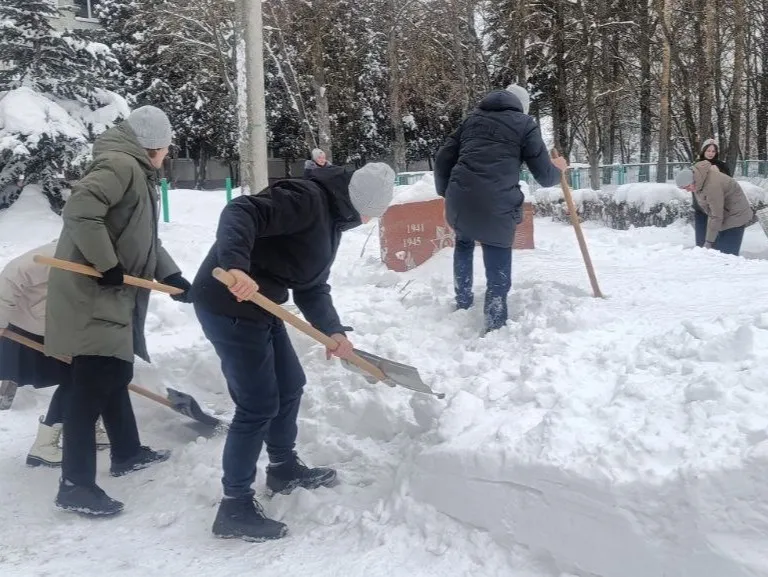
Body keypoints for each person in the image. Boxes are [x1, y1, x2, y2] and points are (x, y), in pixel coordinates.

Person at [190, 162, 395, 541]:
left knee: (290, 385)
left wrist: (333, 331)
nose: (368, 221)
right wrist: (236, 265)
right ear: (358, 201)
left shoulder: (332, 221)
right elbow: (241, 210)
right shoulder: (306, 199)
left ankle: (283, 468)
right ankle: (234, 506)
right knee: (257, 404)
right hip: (227, 302)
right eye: (371, 213)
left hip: (262, 306)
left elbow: (311, 286)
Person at [45, 105, 193, 516]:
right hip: (92, 290)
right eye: (166, 147)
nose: (167, 153)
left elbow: (143, 240)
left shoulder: (136, 172)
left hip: (110, 290)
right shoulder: (120, 165)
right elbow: (80, 212)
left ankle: (127, 452)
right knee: (96, 381)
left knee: (115, 372)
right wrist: (106, 263)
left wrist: (172, 276)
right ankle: (75, 485)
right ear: (154, 146)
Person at [434, 83, 568, 333]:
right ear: (522, 106)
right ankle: (495, 324)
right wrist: (558, 168)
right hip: (496, 203)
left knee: (464, 243)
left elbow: (443, 158)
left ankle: (462, 300)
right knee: (496, 253)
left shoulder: (471, 120)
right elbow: (545, 176)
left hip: (460, 199)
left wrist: (446, 192)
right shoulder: (525, 125)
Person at [0, 241, 110, 467]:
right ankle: (44, 446)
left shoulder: (101, 254)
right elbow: (11, 274)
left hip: (61, 325)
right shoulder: (58, 253)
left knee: (86, 376)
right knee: (76, 378)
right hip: (32, 329)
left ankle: (83, 427)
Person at [675, 161, 754, 256]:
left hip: (736, 217)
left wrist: (708, 241)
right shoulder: (699, 182)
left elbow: (716, 215)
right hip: (725, 215)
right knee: (718, 253)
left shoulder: (711, 186)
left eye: (688, 186)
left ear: (693, 180)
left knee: (727, 256)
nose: (687, 190)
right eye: (684, 188)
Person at [692, 139, 731, 247]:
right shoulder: (696, 165)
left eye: (713, 151)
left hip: (717, 206)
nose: (711, 153)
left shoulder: (722, 166)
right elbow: (694, 185)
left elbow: (728, 183)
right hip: (701, 206)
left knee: (715, 237)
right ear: (703, 151)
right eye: (708, 150)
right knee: (701, 238)